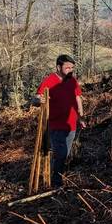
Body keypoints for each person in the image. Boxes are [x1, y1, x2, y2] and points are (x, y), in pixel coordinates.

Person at [35, 54, 86, 187]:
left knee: (64, 154)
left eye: (72, 67)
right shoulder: (49, 81)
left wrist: (81, 117)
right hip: (55, 124)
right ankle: (57, 183)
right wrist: (38, 100)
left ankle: (53, 174)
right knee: (61, 153)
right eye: (67, 67)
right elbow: (36, 99)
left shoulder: (72, 81)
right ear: (58, 67)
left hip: (71, 124)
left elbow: (78, 98)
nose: (70, 70)